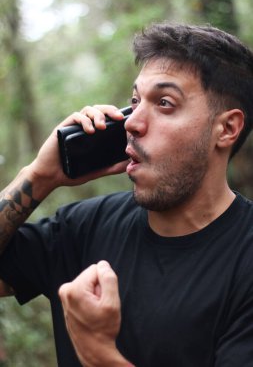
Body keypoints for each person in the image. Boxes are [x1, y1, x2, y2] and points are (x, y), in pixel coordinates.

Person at [0, 21, 253, 366]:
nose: (132, 122)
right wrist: (40, 175)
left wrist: (96, 351)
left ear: (226, 128)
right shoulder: (83, 226)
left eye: (164, 103)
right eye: (135, 101)